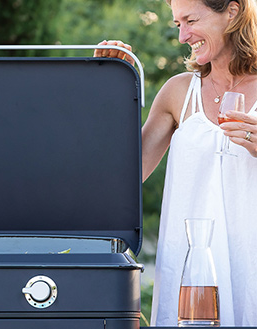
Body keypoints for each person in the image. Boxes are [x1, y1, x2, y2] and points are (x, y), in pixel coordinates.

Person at [95, 0, 257, 326]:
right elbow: (120, 181)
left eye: (191, 20)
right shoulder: (178, 92)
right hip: (191, 276)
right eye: (177, 23)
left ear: (233, 11)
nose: (183, 35)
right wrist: (106, 84)